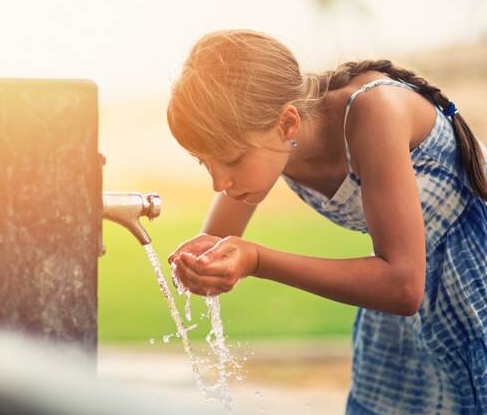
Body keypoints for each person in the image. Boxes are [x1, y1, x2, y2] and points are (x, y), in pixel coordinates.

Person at [167, 29, 487, 414]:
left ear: (287, 123)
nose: (219, 182)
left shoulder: (373, 113)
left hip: (472, 278)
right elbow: (216, 242)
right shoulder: (275, 141)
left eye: (231, 160)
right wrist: (202, 266)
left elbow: (403, 286)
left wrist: (256, 260)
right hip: (405, 309)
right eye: (206, 163)